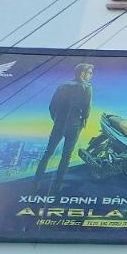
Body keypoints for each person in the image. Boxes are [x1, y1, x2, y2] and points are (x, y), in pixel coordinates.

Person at [34, 63, 94, 195]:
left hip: (59, 124)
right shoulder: (87, 87)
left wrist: (57, 120)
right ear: (82, 73)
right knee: (66, 156)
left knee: (48, 153)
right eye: (89, 73)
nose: (90, 75)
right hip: (75, 125)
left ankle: (36, 182)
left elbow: (52, 106)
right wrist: (83, 121)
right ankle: (58, 185)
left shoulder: (62, 86)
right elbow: (87, 108)